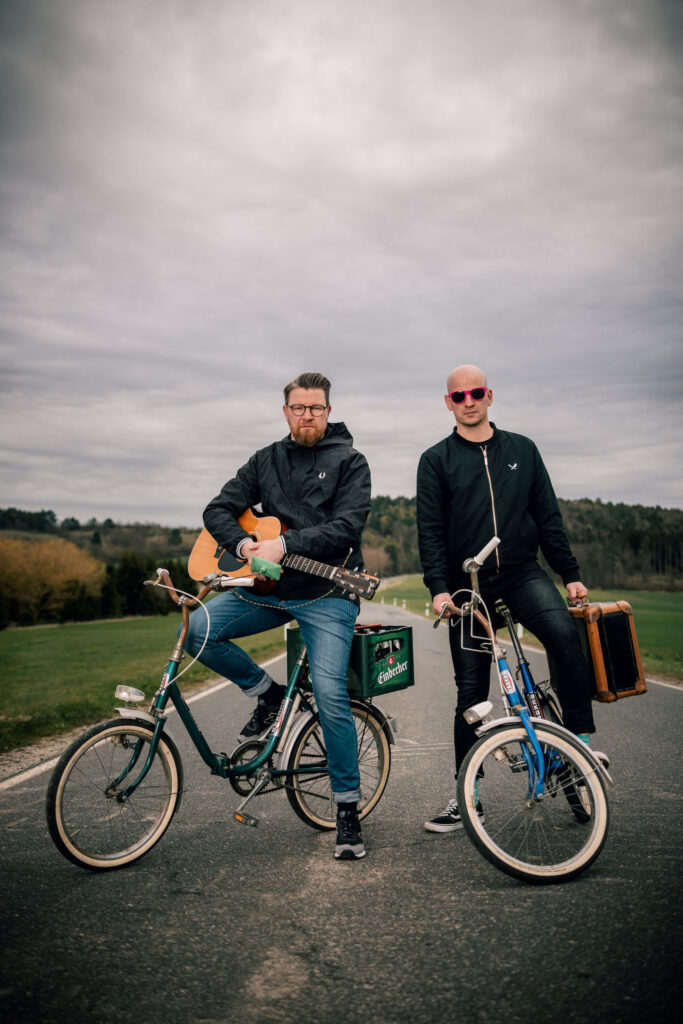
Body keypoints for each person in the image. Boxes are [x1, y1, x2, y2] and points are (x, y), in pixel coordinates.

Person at [185, 372, 371, 859]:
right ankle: (267, 695)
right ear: (286, 411)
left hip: (328, 593)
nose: (307, 415)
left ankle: (346, 808)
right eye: (299, 408)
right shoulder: (265, 459)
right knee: (198, 630)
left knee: (330, 693)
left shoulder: (351, 461)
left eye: (316, 408)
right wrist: (243, 545)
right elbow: (217, 509)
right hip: (267, 589)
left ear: (328, 412)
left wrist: (285, 543)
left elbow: (347, 527)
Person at [416, 364, 601, 833]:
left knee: (564, 636)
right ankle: (467, 796)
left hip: (522, 573)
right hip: (468, 586)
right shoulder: (435, 460)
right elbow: (430, 532)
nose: (469, 401)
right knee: (471, 693)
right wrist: (438, 588)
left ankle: (580, 748)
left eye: (476, 393)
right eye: (459, 396)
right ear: (448, 403)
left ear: (490, 395)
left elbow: (548, 515)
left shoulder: (523, 449)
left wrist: (570, 574)